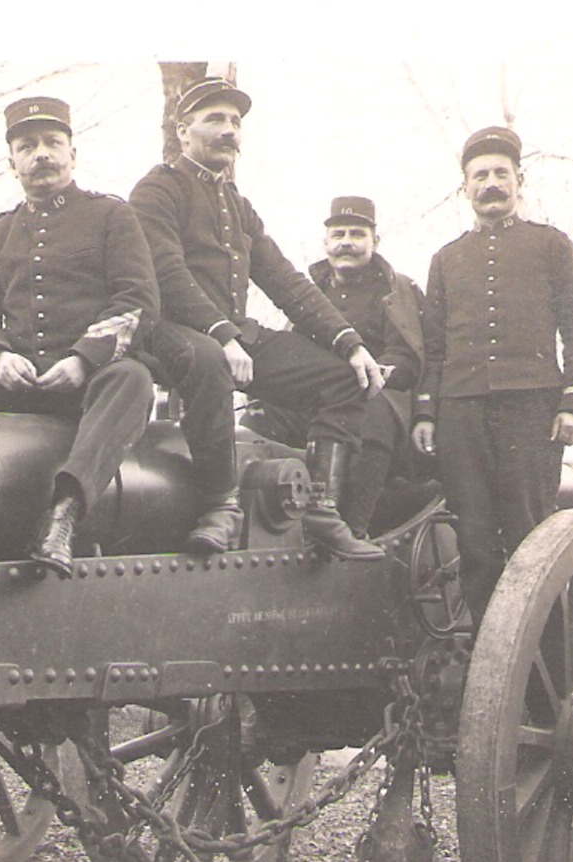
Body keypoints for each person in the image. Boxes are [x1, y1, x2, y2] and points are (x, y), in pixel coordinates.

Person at [0, 96, 158, 578]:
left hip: (87, 387)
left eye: (52, 143)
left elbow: (136, 302)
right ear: (11, 161)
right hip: (15, 386)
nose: (42, 154)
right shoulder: (0, 232)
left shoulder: (111, 217)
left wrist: (82, 359)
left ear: (72, 154)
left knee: (133, 379)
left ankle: (63, 516)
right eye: (27, 145)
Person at [128, 78, 385, 560]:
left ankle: (321, 509)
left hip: (231, 336)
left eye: (235, 122)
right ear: (183, 132)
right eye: (215, 120)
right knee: (208, 360)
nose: (229, 131)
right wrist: (221, 333)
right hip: (165, 331)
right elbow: (165, 272)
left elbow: (286, 282)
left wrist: (350, 344)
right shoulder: (157, 190)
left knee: (341, 378)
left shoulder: (238, 206)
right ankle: (220, 506)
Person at [410, 126, 573, 622]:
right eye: (479, 176)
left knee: (531, 539)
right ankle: (485, 672)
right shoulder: (446, 259)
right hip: (461, 412)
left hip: (532, 411)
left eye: (500, 173)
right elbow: (434, 347)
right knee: (472, 540)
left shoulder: (551, 245)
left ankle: (540, 680)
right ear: (465, 187)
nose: (490, 184)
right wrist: (427, 413)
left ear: (519, 180)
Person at [306, 196, 425, 535]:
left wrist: (377, 372)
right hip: (318, 395)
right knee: (263, 418)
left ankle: (352, 526)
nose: (346, 242)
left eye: (357, 234)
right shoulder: (312, 292)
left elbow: (407, 355)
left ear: (375, 241)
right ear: (326, 242)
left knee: (369, 416)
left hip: (380, 397)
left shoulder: (397, 290)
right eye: (338, 234)